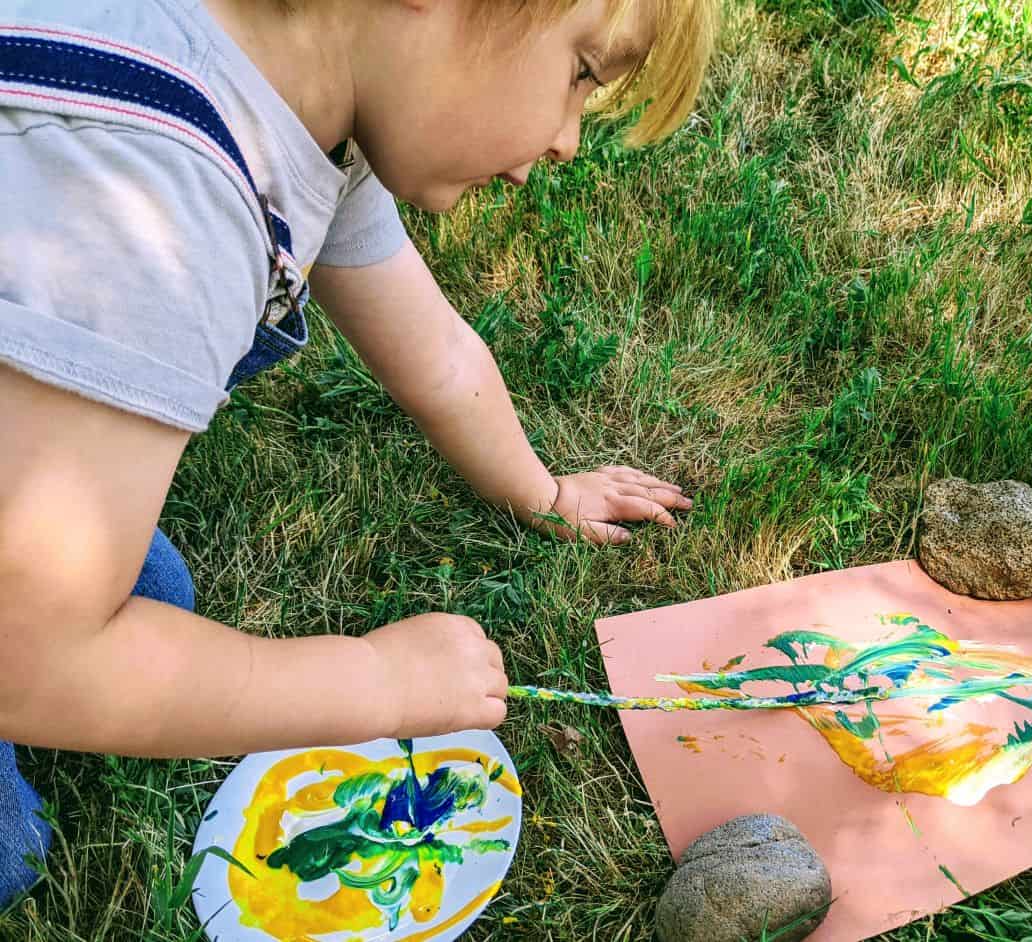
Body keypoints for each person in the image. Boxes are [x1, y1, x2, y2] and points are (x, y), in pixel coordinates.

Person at [0, 0, 718, 908]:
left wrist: (547, 492)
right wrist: (375, 683)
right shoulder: (153, 208)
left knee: (153, 600)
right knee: (11, 848)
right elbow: (31, 660)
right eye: (580, 71)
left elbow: (437, 356)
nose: (569, 140)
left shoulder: (290, 103)